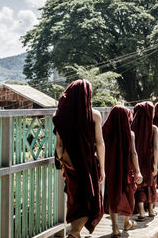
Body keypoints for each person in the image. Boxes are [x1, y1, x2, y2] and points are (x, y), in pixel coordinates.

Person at [53, 79, 105, 238]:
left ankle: (74, 231)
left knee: (75, 198)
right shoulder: (94, 115)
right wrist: (102, 168)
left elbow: (59, 145)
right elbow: (100, 143)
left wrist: (63, 162)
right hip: (87, 163)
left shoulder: (61, 116)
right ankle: (75, 232)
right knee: (91, 200)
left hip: (70, 163)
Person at [103, 106, 143, 237]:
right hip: (126, 169)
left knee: (112, 194)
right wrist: (138, 171)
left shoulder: (105, 131)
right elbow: (134, 153)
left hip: (110, 169)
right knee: (129, 193)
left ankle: (115, 228)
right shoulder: (130, 134)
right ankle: (126, 222)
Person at [131, 102, 158, 221]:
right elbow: (156, 147)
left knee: (139, 186)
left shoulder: (132, 127)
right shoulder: (153, 128)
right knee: (151, 185)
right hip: (150, 161)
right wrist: (156, 165)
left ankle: (141, 212)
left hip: (137, 161)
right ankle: (151, 211)